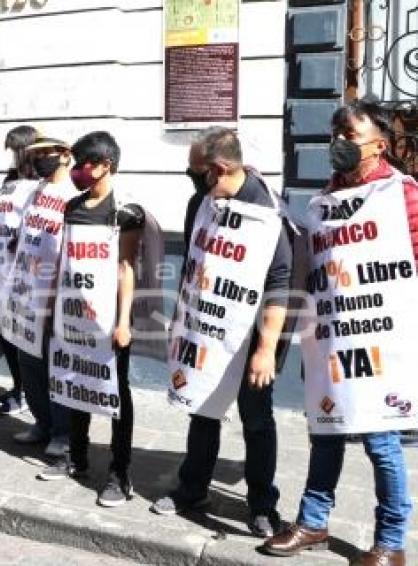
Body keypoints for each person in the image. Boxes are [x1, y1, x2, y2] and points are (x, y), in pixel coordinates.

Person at [264, 100, 415, 566]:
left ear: (380, 144)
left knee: (380, 441)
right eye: (335, 133)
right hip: (331, 338)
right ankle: (313, 522)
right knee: (325, 432)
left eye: (350, 134)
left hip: (381, 341)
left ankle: (391, 543)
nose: (339, 143)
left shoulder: (402, 194)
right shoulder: (320, 203)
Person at [149, 127, 292, 537]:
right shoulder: (202, 202)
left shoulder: (268, 213)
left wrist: (265, 351)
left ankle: (263, 504)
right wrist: (182, 317)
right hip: (205, 326)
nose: (191, 179)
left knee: (257, 419)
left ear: (217, 169)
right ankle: (192, 488)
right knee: (202, 407)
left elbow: (280, 281)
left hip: (254, 336)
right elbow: (195, 263)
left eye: (195, 172)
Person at [36, 132, 144, 508]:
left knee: (116, 392)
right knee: (75, 381)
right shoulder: (71, 207)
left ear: (104, 166)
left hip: (109, 321)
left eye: (82, 164)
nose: (77, 171)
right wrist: (52, 306)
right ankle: (75, 457)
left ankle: (120, 472)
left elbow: (126, 268)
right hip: (73, 317)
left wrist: (124, 322)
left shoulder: (125, 211)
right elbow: (65, 261)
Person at [6, 136, 77, 457]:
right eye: (35, 155)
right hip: (25, 292)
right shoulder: (36, 191)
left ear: (65, 156)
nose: (39, 160)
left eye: (46, 154)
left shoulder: (74, 194)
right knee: (28, 363)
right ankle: (42, 424)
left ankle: (64, 433)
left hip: (55, 297)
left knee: (56, 368)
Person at [0, 125, 39, 416]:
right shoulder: (9, 181)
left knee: (19, 334)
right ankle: (19, 386)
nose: (11, 155)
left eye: (15, 149)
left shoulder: (40, 183)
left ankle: (28, 392)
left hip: (18, 274)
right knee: (3, 330)